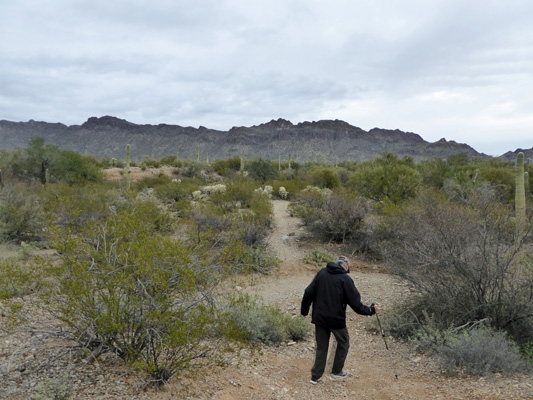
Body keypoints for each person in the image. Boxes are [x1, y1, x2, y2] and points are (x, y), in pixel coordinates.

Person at [301, 255, 379, 384]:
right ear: (346, 266)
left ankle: (315, 377)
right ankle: (336, 370)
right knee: (344, 343)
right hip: (336, 320)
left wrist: (304, 311)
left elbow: (308, 291)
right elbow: (356, 305)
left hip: (319, 318)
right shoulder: (345, 279)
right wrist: (370, 311)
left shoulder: (322, 273)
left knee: (321, 347)